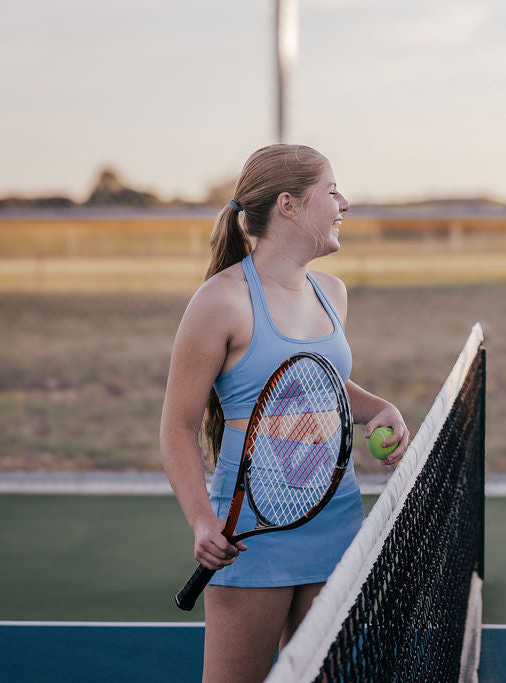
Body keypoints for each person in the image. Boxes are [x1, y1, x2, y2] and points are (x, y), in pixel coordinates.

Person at [160, 144, 410, 683]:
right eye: (332, 190)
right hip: (250, 535)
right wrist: (202, 520)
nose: (345, 201)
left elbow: (313, 383)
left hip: (338, 523)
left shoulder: (332, 292)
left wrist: (377, 408)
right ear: (289, 205)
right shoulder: (220, 301)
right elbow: (176, 427)